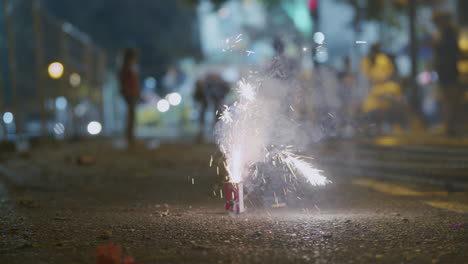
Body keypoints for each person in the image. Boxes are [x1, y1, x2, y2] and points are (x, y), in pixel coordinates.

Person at [432, 11, 461, 136]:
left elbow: (450, 52)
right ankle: (450, 126)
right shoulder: (446, 32)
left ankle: (450, 127)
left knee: (450, 99)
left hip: (449, 71)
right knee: (449, 99)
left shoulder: (448, 33)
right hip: (447, 71)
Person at [118, 47, 140, 146]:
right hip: (129, 93)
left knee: (131, 114)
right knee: (131, 114)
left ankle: (130, 135)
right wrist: (128, 91)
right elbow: (125, 81)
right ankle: (129, 136)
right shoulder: (126, 68)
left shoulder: (128, 67)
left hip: (130, 93)